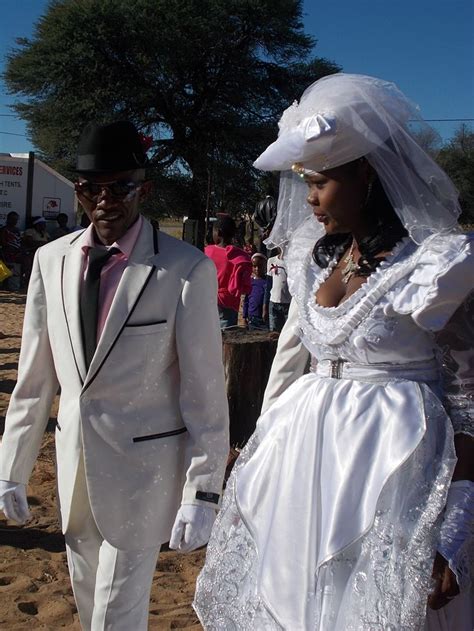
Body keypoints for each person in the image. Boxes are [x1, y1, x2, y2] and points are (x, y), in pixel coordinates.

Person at [194, 74, 474, 630]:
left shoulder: (435, 265)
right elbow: (291, 359)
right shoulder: (311, 258)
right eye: (304, 183)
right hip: (302, 459)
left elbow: (468, 397)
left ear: (368, 175)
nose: (309, 200)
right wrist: (257, 440)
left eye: (320, 183)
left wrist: (457, 521)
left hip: (391, 464)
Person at [0, 120, 229, 631]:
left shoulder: (185, 269)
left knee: (113, 614)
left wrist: (203, 491)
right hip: (73, 468)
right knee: (89, 605)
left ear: (144, 189)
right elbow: (34, 380)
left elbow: (206, 396)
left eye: (120, 186)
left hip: (146, 473)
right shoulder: (49, 261)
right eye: (90, 188)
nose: (105, 200)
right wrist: (10, 466)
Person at [205, 214, 252, 328]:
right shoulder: (240, 256)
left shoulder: (207, 251)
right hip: (229, 301)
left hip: (207, 297)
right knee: (226, 334)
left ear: (219, 233)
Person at [266, 247, 291, 332]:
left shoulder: (292, 263)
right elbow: (268, 284)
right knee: (274, 331)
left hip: (288, 303)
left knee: (287, 331)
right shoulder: (271, 261)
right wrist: (264, 305)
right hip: (273, 302)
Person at [243, 253, 269, 330]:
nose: (257, 269)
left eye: (260, 266)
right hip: (252, 316)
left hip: (264, 318)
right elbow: (246, 300)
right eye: (254, 266)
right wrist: (244, 316)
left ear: (265, 266)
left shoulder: (268, 282)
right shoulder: (250, 282)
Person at [0, 211, 23, 291]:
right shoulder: (4, 230)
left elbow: (20, 243)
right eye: (12, 219)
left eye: (16, 220)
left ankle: (13, 287)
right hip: (6, 255)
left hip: (16, 255)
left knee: (15, 275)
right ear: (8, 219)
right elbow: (3, 244)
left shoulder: (17, 230)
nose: (14, 221)